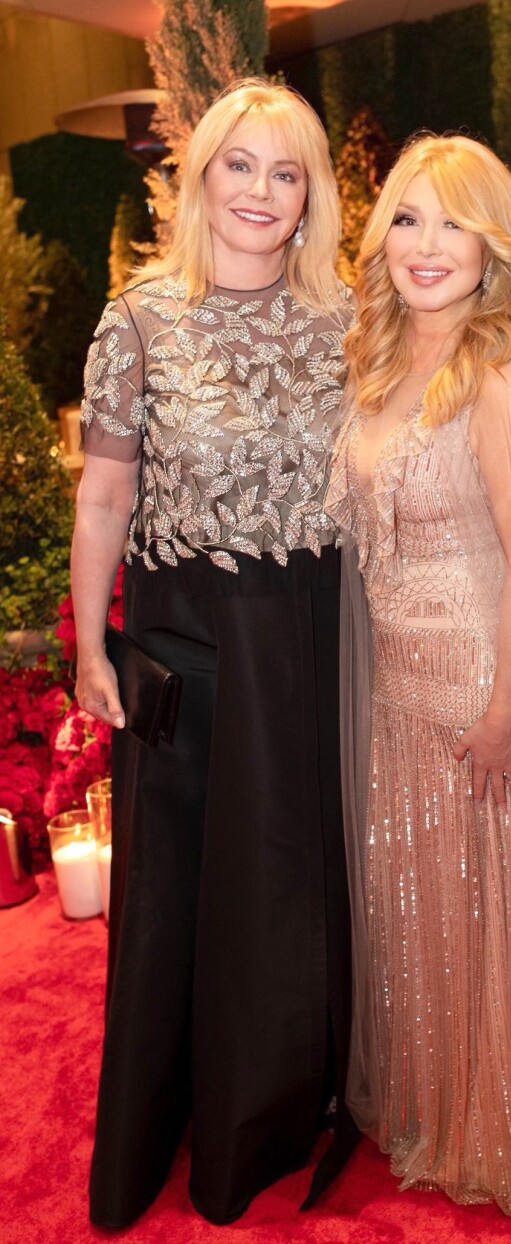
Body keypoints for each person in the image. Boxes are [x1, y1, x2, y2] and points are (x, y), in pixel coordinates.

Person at [72, 78, 356, 1228]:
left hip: (321, 635)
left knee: (297, 878)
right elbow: (104, 495)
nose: (260, 191)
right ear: (200, 176)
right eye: (241, 164)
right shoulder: (139, 319)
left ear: (311, 196)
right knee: (186, 883)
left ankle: (295, 1100)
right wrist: (89, 641)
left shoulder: (350, 317)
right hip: (190, 639)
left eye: (286, 172)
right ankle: (182, 1116)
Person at [324, 134, 511, 1220]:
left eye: (455, 224)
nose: (427, 246)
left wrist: (507, 710)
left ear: (493, 249)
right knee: (420, 901)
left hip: (482, 684)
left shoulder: (496, 371)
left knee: (491, 908)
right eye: (407, 219)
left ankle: (497, 1125)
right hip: (399, 688)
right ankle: (436, 1105)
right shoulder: (377, 362)